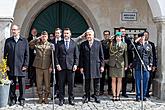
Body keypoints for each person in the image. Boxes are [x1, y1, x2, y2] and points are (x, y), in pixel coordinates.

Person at [4, 24, 29, 106]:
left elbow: (27, 54)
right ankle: (13, 98)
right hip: (11, 66)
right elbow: (5, 54)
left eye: (15, 30)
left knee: (22, 84)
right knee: (12, 84)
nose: (13, 31)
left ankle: (22, 99)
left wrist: (25, 65)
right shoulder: (8, 40)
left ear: (19, 30)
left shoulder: (24, 41)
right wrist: (6, 65)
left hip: (21, 66)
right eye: (12, 30)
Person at [79, 28, 104, 103]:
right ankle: (87, 96)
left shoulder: (98, 43)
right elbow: (81, 57)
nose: (88, 36)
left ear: (93, 35)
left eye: (90, 35)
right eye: (87, 35)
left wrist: (102, 66)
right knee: (87, 82)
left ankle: (96, 96)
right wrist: (81, 67)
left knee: (97, 82)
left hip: (96, 65)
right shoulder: (83, 44)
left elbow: (101, 55)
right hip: (86, 66)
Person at [55, 28, 79, 106]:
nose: (66, 35)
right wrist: (57, 64)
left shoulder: (74, 43)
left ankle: (71, 99)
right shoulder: (59, 43)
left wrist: (75, 64)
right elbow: (56, 56)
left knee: (71, 85)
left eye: (67, 33)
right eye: (65, 33)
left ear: (70, 34)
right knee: (61, 84)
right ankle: (61, 99)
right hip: (61, 67)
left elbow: (76, 56)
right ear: (63, 34)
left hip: (71, 67)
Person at [29, 31, 52, 104]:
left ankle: (46, 97)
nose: (44, 38)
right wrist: (37, 38)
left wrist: (51, 66)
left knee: (47, 84)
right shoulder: (37, 44)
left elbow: (53, 57)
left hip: (47, 67)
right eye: (43, 36)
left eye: (45, 36)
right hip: (38, 66)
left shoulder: (50, 45)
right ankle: (40, 97)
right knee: (39, 83)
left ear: (47, 37)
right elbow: (30, 44)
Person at [133, 32, 153, 101]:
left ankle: (143, 95)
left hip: (146, 66)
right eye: (140, 37)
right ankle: (138, 96)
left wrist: (150, 64)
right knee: (138, 81)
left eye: (143, 37)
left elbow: (151, 56)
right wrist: (136, 41)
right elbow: (130, 48)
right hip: (138, 66)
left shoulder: (148, 45)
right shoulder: (136, 45)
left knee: (146, 80)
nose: (142, 38)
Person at [109, 32, 128, 101]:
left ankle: (118, 94)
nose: (118, 38)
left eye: (119, 37)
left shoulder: (124, 44)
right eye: (117, 37)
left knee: (120, 80)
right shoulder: (112, 44)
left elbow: (125, 55)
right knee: (113, 80)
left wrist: (126, 65)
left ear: (121, 38)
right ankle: (114, 95)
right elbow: (110, 52)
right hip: (113, 64)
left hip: (120, 64)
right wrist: (110, 41)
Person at [119, 27, 133, 97]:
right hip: (118, 62)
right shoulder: (116, 39)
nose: (123, 33)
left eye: (124, 31)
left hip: (126, 62)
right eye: (121, 31)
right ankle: (117, 92)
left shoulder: (128, 40)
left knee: (125, 78)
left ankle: (124, 92)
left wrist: (130, 62)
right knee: (118, 77)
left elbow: (130, 52)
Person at [144, 31, 157, 97]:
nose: (146, 36)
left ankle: (147, 92)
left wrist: (154, 65)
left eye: (147, 35)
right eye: (144, 35)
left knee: (149, 79)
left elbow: (154, 55)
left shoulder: (152, 44)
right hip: (142, 65)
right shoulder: (140, 43)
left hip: (149, 65)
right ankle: (142, 92)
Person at [51, 28, 62, 99]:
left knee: (61, 79)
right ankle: (54, 93)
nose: (57, 34)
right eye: (56, 33)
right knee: (54, 79)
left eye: (58, 33)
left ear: (61, 34)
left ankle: (60, 93)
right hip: (54, 63)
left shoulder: (63, 41)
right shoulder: (52, 42)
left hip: (62, 64)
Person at [100, 30, 111, 95]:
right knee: (102, 77)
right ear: (103, 35)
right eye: (105, 34)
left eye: (107, 34)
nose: (106, 36)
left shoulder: (112, 42)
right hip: (103, 61)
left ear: (109, 35)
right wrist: (103, 60)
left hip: (110, 61)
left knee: (110, 76)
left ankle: (110, 89)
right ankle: (101, 90)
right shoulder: (101, 43)